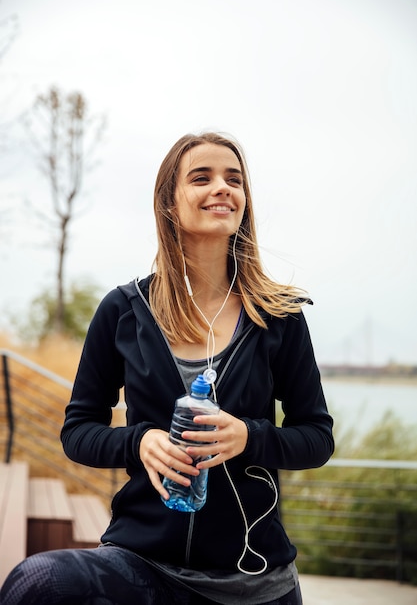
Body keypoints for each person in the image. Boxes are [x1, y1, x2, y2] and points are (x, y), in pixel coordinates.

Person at [0, 132, 334, 604]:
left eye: (234, 180)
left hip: (254, 579)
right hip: (145, 566)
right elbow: (77, 432)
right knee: (38, 584)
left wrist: (249, 438)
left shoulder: (277, 316)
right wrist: (142, 441)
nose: (223, 188)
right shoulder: (124, 310)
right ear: (170, 204)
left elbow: (317, 437)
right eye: (203, 177)